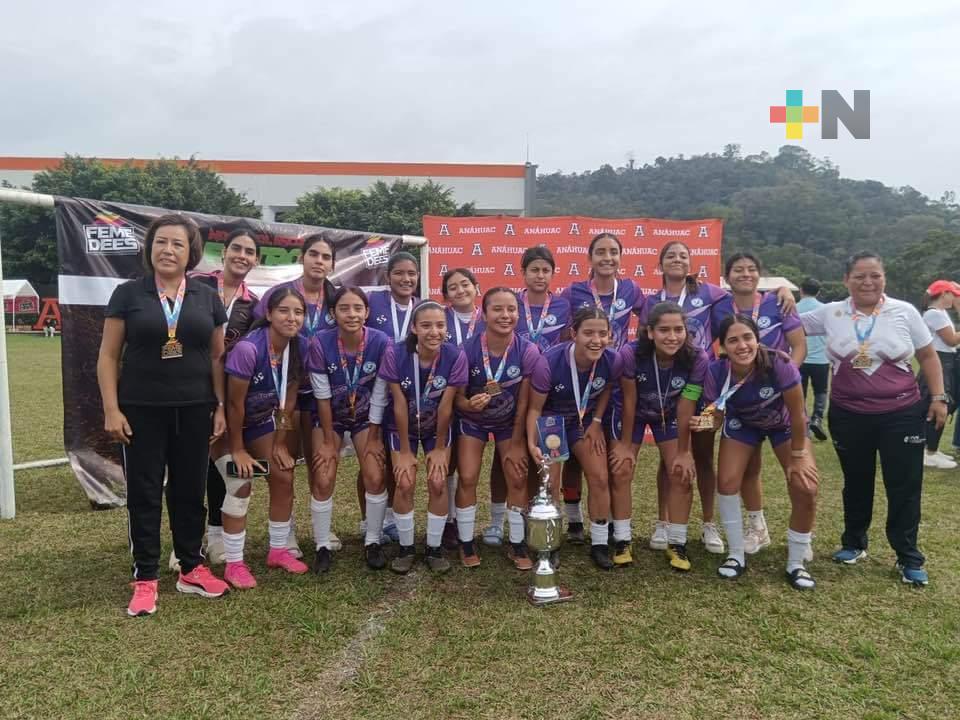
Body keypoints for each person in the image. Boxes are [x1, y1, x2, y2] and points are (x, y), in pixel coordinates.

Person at [97, 214, 230, 617]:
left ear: (191, 253)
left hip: (195, 409)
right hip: (141, 410)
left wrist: (219, 406)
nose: (168, 250)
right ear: (150, 248)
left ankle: (191, 568)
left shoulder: (207, 295)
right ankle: (146, 576)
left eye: (177, 244)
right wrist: (111, 408)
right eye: (161, 242)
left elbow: (217, 357)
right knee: (145, 493)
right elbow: (108, 356)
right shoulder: (128, 294)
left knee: (190, 491)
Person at [801, 251, 947, 586]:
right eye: (859, 276)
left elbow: (928, 355)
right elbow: (787, 322)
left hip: (902, 413)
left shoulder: (904, 311)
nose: (868, 282)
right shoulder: (831, 312)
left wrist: (939, 397)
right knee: (856, 480)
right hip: (848, 414)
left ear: (884, 278)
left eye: (875, 276)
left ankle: (908, 556)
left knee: (904, 484)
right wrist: (780, 295)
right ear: (846, 280)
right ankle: (854, 543)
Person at [651, 241, 796, 555]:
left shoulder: (711, 294)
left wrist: (781, 290)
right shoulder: (649, 300)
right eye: (670, 256)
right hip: (667, 387)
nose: (677, 260)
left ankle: (708, 524)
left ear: (691, 263)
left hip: (704, 383)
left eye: (683, 255)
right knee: (670, 457)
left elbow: (748, 291)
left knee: (703, 456)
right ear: (659, 264)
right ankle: (663, 522)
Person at [692, 314, 819, 589]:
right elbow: (716, 418)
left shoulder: (779, 363)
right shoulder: (717, 371)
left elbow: (798, 414)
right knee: (727, 483)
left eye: (747, 337)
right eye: (733, 340)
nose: (742, 346)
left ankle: (796, 562)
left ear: (757, 339)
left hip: (784, 424)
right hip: (743, 424)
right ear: (723, 346)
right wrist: (700, 423)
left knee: (805, 486)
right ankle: (736, 555)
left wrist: (798, 456)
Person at [709, 253, 806, 557]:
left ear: (760, 275)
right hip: (743, 402)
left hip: (778, 400)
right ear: (727, 277)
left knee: (799, 474)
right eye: (738, 270)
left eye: (751, 269)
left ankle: (803, 537)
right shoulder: (719, 306)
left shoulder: (778, 301)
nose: (745, 274)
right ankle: (757, 528)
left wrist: (783, 380)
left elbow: (799, 346)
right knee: (745, 471)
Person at [178, 227, 260, 570]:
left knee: (218, 467)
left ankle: (215, 537)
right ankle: (185, 541)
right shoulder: (194, 285)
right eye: (237, 248)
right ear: (224, 252)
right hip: (187, 388)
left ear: (256, 260)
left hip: (225, 393)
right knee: (187, 467)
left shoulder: (253, 304)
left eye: (249, 252)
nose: (242, 256)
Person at [254, 234, 340, 556]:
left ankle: (322, 527)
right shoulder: (280, 295)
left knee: (321, 463)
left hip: (322, 394)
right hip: (284, 392)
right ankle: (286, 530)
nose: (319, 261)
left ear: (332, 264)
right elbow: (259, 334)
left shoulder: (337, 298)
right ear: (302, 258)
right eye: (314, 254)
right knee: (284, 459)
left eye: (326, 257)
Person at [609, 302, 709, 570]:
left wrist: (685, 452)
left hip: (671, 413)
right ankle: (622, 539)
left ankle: (677, 542)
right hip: (634, 413)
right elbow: (629, 400)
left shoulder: (697, 357)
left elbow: (687, 404)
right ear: (650, 332)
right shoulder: (631, 353)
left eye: (678, 329)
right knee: (621, 468)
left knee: (681, 472)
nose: (672, 336)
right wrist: (625, 445)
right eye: (664, 330)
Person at [222, 287, 310, 588]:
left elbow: (289, 399)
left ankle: (278, 550)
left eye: (298, 312)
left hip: (260, 423)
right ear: (269, 314)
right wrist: (238, 450)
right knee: (240, 482)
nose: (291, 317)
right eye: (284, 310)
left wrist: (280, 442)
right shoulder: (249, 349)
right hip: (227, 428)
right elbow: (234, 405)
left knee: (283, 475)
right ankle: (234, 563)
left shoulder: (300, 346)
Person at [559, 233, 644, 545]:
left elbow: (652, 316)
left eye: (613, 252)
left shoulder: (631, 289)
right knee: (572, 457)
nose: (607, 258)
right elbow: (562, 332)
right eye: (600, 252)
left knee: (605, 453)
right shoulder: (574, 292)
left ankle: (605, 520)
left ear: (620, 257)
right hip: (581, 384)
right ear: (590, 258)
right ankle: (574, 519)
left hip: (615, 382)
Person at [527, 307, 623, 569]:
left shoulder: (612, 359)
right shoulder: (549, 361)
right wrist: (532, 442)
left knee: (600, 477)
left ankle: (599, 544)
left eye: (603, 334)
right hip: (552, 421)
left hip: (584, 422)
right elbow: (535, 408)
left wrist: (597, 421)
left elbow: (607, 388)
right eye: (588, 333)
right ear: (574, 334)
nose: (596, 340)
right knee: (551, 481)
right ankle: (551, 543)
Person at [375, 301, 467, 573]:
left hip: (435, 429)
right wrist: (405, 451)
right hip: (401, 428)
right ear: (414, 328)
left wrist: (439, 448)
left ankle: (434, 548)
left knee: (438, 482)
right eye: (426, 325)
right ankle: (406, 548)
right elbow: (399, 403)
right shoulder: (395, 354)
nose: (434, 332)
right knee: (404, 482)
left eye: (440, 325)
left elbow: (446, 406)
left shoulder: (455, 356)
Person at [454, 287, 540, 570]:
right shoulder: (466, 349)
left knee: (517, 476)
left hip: (509, 424)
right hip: (472, 421)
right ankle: (466, 542)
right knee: (468, 476)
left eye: (511, 309)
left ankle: (517, 543)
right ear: (484, 313)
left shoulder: (527, 350)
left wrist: (516, 443)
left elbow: (525, 402)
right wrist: (469, 405)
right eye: (498, 309)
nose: (505, 315)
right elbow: (457, 398)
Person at [308, 287, 392, 571]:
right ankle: (322, 545)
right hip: (330, 417)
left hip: (366, 417)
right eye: (344, 308)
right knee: (323, 476)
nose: (352, 314)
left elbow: (380, 393)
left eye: (358, 308)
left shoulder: (381, 341)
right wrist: (328, 441)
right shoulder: (320, 342)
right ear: (333, 313)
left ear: (367, 312)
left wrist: (375, 437)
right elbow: (321, 395)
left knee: (375, 475)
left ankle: (373, 540)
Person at [366, 251, 422, 543]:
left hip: (409, 394)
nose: (406, 279)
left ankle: (390, 519)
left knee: (397, 460)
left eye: (411, 273)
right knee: (374, 461)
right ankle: (368, 521)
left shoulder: (422, 308)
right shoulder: (373, 302)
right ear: (388, 277)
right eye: (399, 273)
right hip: (372, 390)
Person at [439, 268, 483, 550]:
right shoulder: (439, 318)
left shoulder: (489, 317)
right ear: (446, 295)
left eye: (465, 284)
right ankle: (448, 521)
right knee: (448, 460)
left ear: (476, 287)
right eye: (453, 287)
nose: (460, 290)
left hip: (478, 399)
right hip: (444, 396)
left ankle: (468, 520)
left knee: (469, 464)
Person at [918, 280, 960, 469]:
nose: (955, 300)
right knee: (938, 404)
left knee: (945, 404)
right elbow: (951, 340)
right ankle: (929, 452)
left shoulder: (940, 313)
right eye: (954, 295)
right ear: (944, 294)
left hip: (945, 360)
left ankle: (931, 448)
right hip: (940, 361)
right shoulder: (934, 314)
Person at [796, 278, 830, 442]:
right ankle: (817, 418)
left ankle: (804, 424)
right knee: (821, 391)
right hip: (821, 359)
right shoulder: (825, 310)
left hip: (799, 358)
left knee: (799, 393)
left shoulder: (793, 309)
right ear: (818, 292)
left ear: (801, 290)